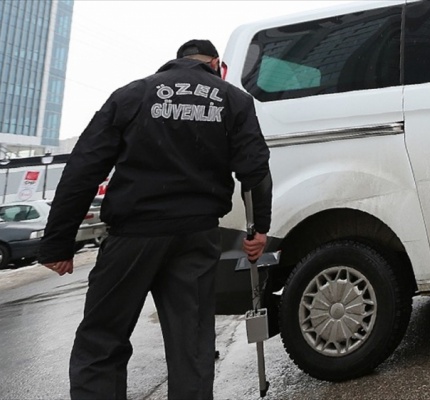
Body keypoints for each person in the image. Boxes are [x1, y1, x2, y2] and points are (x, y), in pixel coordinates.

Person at [37, 39, 272, 400]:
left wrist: (58, 242)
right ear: (215, 63)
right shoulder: (234, 100)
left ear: (176, 62)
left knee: (102, 340)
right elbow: (255, 171)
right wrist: (258, 230)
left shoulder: (132, 95)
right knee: (192, 347)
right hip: (197, 234)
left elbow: (84, 167)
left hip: (134, 234)